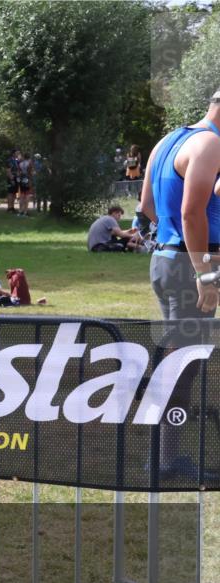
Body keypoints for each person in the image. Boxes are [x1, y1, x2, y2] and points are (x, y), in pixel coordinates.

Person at [141, 87, 220, 480]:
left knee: (181, 359)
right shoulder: (209, 144)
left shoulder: (170, 139)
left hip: (166, 261)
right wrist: (204, 273)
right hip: (191, 268)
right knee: (182, 365)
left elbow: (148, 207)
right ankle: (164, 461)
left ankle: (162, 455)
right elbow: (191, 213)